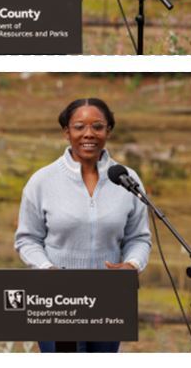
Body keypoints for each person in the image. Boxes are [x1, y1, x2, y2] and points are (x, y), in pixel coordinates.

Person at [14, 98, 152, 353]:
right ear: (67, 132)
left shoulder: (127, 179)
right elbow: (27, 240)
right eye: (79, 127)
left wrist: (132, 265)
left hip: (109, 299)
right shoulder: (42, 181)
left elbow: (139, 238)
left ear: (108, 130)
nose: (89, 134)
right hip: (56, 299)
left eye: (98, 126)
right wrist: (47, 269)